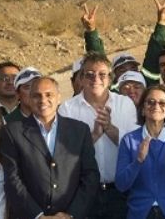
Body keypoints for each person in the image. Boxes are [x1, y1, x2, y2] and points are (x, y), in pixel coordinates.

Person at [0, 76, 100, 219]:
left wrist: (71, 214)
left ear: (59, 98)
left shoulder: (80, 130)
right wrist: (38, 215)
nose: (43, 100)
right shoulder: (12, 132)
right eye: (36, 96)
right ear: (28, 99)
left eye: (49, 95)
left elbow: (90, 175)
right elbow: (12, 179)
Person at [59, 53, 139, 219]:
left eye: (102, 74)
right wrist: (93, 135)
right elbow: (64, 154)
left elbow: (135, 148)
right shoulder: (67, 109)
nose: (96, 79)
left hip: (120, 192)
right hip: (83, 192)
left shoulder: (125, 104)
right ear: (80, 78)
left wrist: (109, 128)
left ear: (110, 79)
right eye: (89, 74)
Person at [116, 85, 165, 219]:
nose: (156, 105)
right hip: (140, 213)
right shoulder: (129, 140)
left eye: (162, 103)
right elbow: (121, 185)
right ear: (143, 110)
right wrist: (138, 161)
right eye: (150, 102)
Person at [82, 0, 165, 86]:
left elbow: (154, 53)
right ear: (114, 76)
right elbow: (99, 62)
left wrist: (162, 22)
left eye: (133, 69)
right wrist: (91, 31)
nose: (129, 73)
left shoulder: (148, 86)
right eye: (122, 70)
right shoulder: (110, 94)